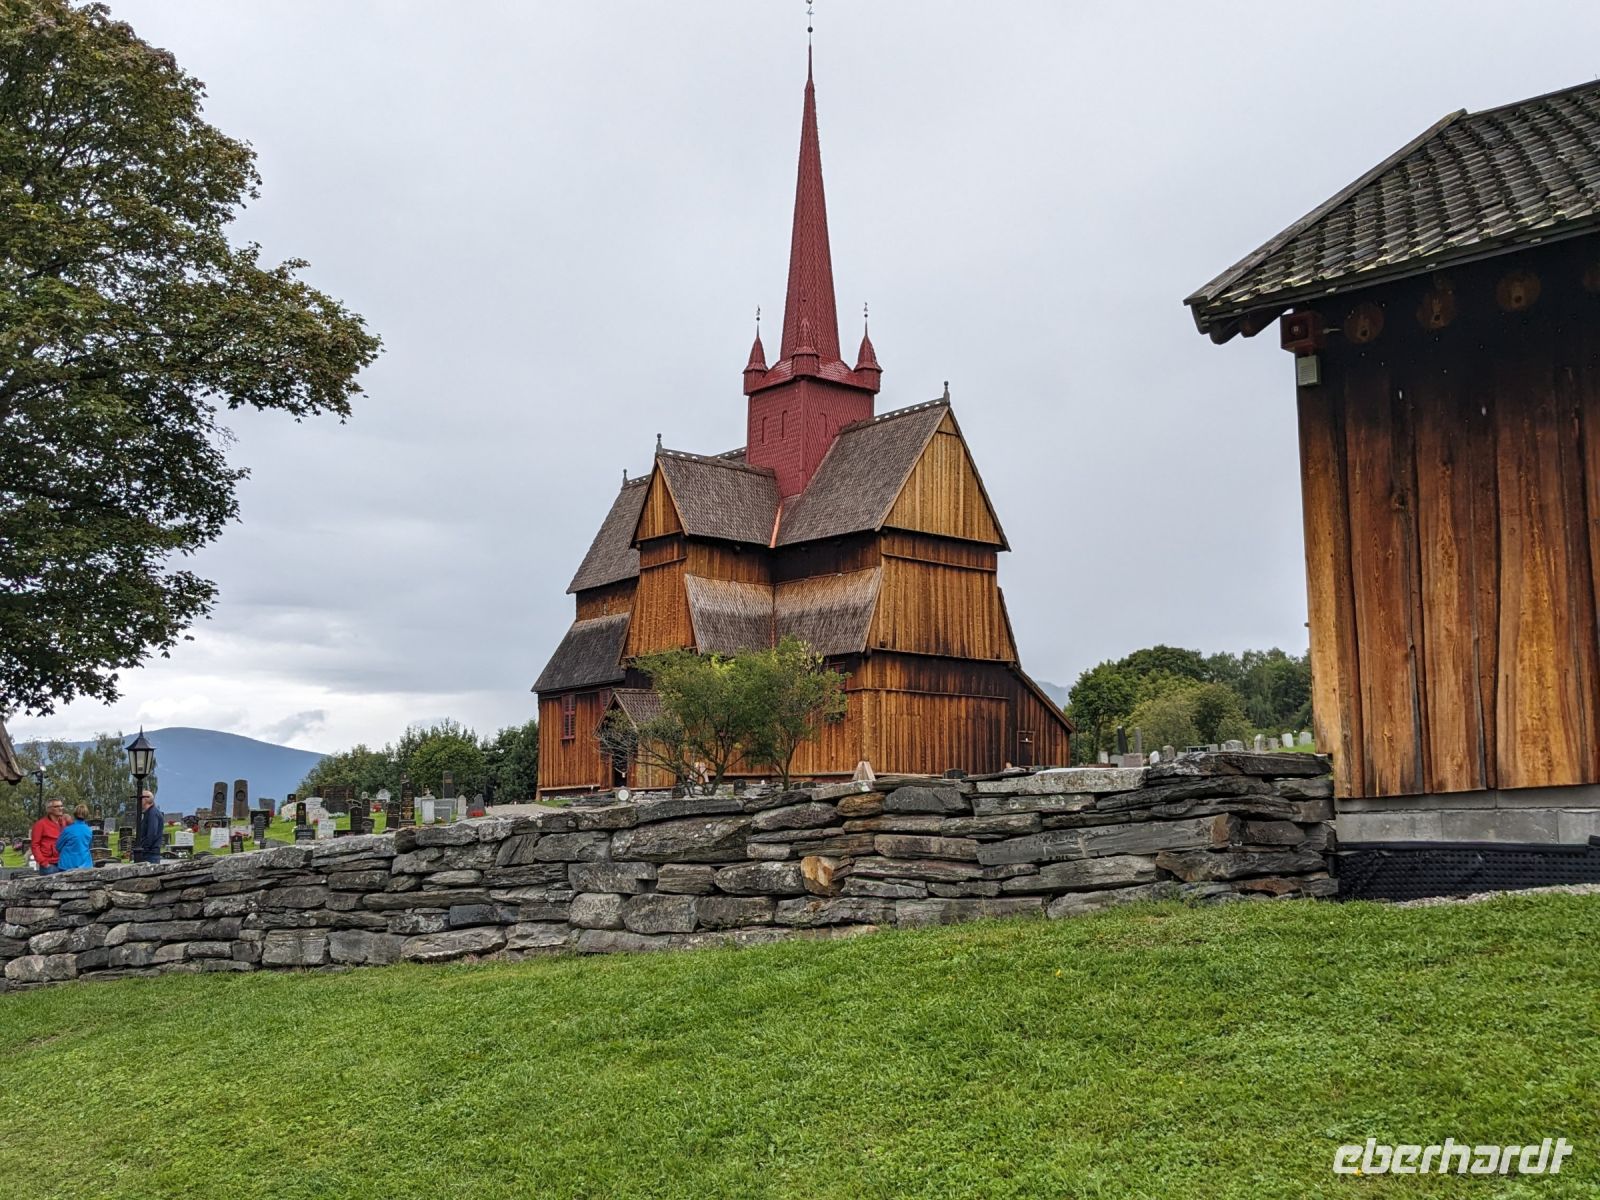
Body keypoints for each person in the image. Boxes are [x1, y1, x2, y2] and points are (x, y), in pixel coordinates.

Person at [29, 798, 68, 875]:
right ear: (49, 810)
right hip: (49, 865)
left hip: (64, 863)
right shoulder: (40, 824)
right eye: (56, 806)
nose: (60, 808)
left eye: (61, 806)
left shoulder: (64, 823)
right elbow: (35, 845)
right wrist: (44, 863)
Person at [55, 804, 94, 871]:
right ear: (86, 815)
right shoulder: (89, 831)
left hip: (67, 866)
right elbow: (89, 846)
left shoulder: (68, 830)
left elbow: (58, 846)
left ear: (74, 815)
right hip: (85, 866)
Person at [132, 790, 164, 865]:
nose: (138, 801)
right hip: (148, 853)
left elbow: (152, 834)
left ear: (145, 799)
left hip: (150, 854)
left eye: (140, 798)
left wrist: (144, 848)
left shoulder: (152, 813)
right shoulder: (150, 812)